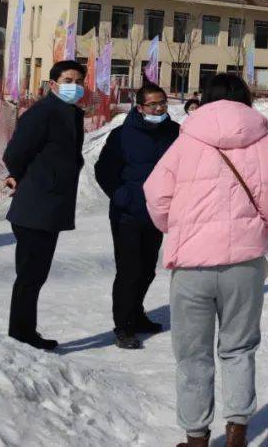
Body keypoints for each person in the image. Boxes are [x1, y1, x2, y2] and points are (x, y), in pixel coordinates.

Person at [145, 73, 268, 447]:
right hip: (244, 265)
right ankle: (237, 432)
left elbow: (156, 196)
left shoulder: (186, 142)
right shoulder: (267, 143)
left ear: (206, 99)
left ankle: (196, 437)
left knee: (193, 354)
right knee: (239, 348)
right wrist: (256, 227)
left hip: (193, 265)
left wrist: (179, 228)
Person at [2, 59, 87, 351]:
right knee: (30, 275)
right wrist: (26, 177)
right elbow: (15, 153)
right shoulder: (43, 112)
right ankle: (22, 335)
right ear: (52, 84)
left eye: (78, 81)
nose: (73, 86)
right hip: (35, 206)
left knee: (36, 274)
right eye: (67, 80)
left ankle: (24, 331)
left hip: (51, 206)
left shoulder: (72, 113)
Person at [95, 83, 179, 349]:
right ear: (140, 107)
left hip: (157, 214)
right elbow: (104, 171)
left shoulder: (175, 133)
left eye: (162, 103)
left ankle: (137, 313)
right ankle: (124, 325)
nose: (159, 108)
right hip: (127, 214)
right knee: (129, 271)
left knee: (147, 270)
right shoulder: (121, 135)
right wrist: (123, 198)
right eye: (153, 104)